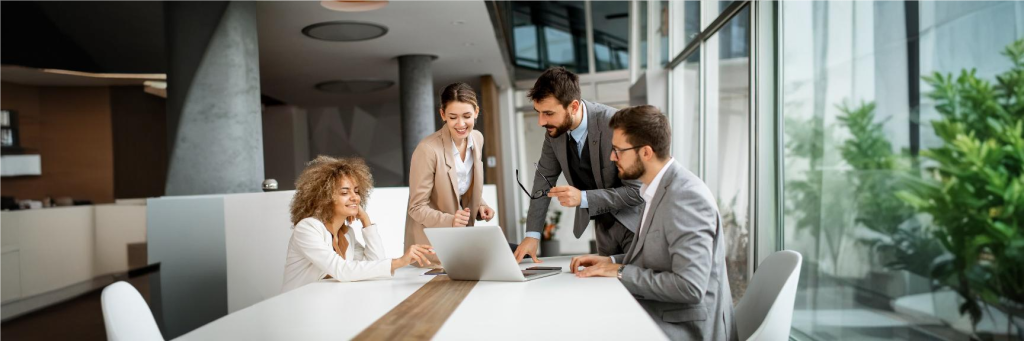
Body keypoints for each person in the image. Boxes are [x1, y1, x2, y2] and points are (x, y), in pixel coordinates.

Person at [571, 106, 736, 341]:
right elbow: (660, 255)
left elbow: (689, 287)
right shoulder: (655, 189)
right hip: (665, 312)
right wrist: (612, 261)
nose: (611, 157)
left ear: (646, 152)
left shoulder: (685, 197)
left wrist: (620, 272)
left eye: (618, 150)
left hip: (688, 327)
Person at [513, 67, 644, 263]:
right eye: (538, 112)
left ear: (573, 107)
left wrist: (582, 198)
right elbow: (542, 182)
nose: (541, 121)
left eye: (548, 113)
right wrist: (532, 235)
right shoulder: (553, 134)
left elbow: (636, 191)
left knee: (636, 290)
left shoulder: (616, 124)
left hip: (637, 226)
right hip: (603, 229)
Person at [282, 156, 434, 292]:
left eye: (356, 191)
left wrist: (366, 221)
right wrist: (399, 262)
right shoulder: (308, 228)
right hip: (297, 306)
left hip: (324, 305)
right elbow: (341, 270)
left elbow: (375, 266)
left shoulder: (346, 234)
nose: (355, 197)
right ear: (324, 198)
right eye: (344, 193)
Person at [405, 82, 495, 265]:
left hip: (461, 239)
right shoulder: (427, 150)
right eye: (453, 117)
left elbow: (461, 184)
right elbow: (416, 208)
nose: (461, 124)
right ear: (442, 114)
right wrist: (451, 220)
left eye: (467, 116)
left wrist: (480, 205)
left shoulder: (477, 138)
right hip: (432, 245)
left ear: (476, 112)